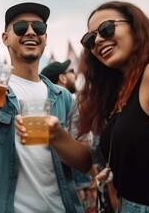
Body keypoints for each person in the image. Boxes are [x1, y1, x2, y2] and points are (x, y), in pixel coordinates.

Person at [0, 2, 92, 212]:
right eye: (21, 28)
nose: (31, 32)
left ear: (45, 38)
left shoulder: (64, 97)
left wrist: (57, 135)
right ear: (5, 38)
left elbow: (85, 162)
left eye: (39, 28)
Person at [78, 1, 149, 212]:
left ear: (135, 27)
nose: (98, 40)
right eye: (90, 39)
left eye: (107, 28)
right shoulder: (121, 93)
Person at [42, 60, 98, 212]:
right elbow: (81, 144)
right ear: (63, 78)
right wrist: (93, 173)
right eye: (71, 71)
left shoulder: (63, 102)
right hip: (77, 185)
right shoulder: (70, 103)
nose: (74, 74)